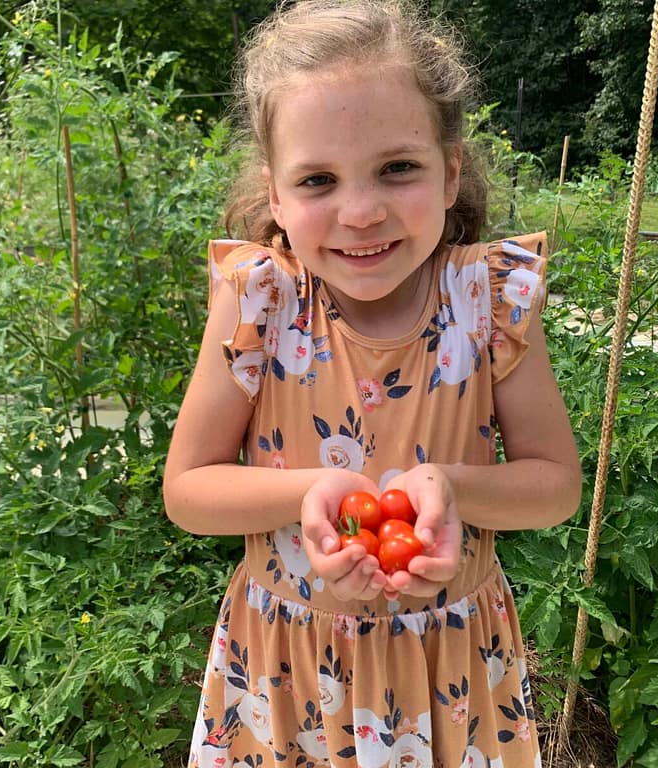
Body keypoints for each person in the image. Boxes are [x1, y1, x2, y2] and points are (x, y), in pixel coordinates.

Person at [163, 0, 581, 765]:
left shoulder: (489, 301)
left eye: (397, 168)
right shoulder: (260, 302)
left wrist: (448, 485)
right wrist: (310, 492)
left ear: (451, 171)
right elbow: (188, 489)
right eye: (318, 180)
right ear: (277, 199)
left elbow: (556, 486)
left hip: (452, 667)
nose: (360, 211)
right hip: (286, 668)